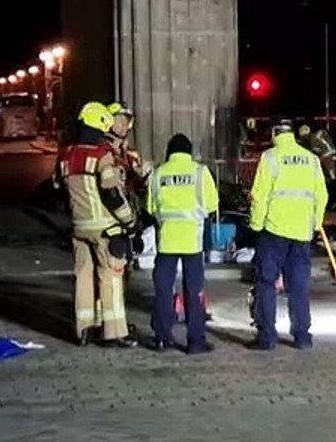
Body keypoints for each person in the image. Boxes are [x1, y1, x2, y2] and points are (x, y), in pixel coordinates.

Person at [58, 102, 139, 347]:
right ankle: (113, 332)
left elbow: (57, 189)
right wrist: (130, 221)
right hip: (105, 228)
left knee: (83, 276)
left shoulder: (67, 155)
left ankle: (84, 329)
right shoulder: (100, 156)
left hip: (78, 227)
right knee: (111, 276)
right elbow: (112, 193)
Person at [247, 118, 329, 350]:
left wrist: (256, 225)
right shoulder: (311, 159)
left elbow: (259, 196)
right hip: (301, 232)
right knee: (299, 285)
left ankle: (267, 337)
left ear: (275, 132)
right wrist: (315, 223)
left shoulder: (270, 157)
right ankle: (302, 336)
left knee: (266, 282)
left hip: (273, 230)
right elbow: (321, 196)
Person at [147, 133, 219, 355]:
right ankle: (195, 341)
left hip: (167, 240)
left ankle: (162, 338)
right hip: (192, 242)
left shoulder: (157, 174)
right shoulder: (200, 172)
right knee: (194, 290)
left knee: (162, 290)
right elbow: (212, 204)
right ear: (189, 152)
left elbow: (150, 207)